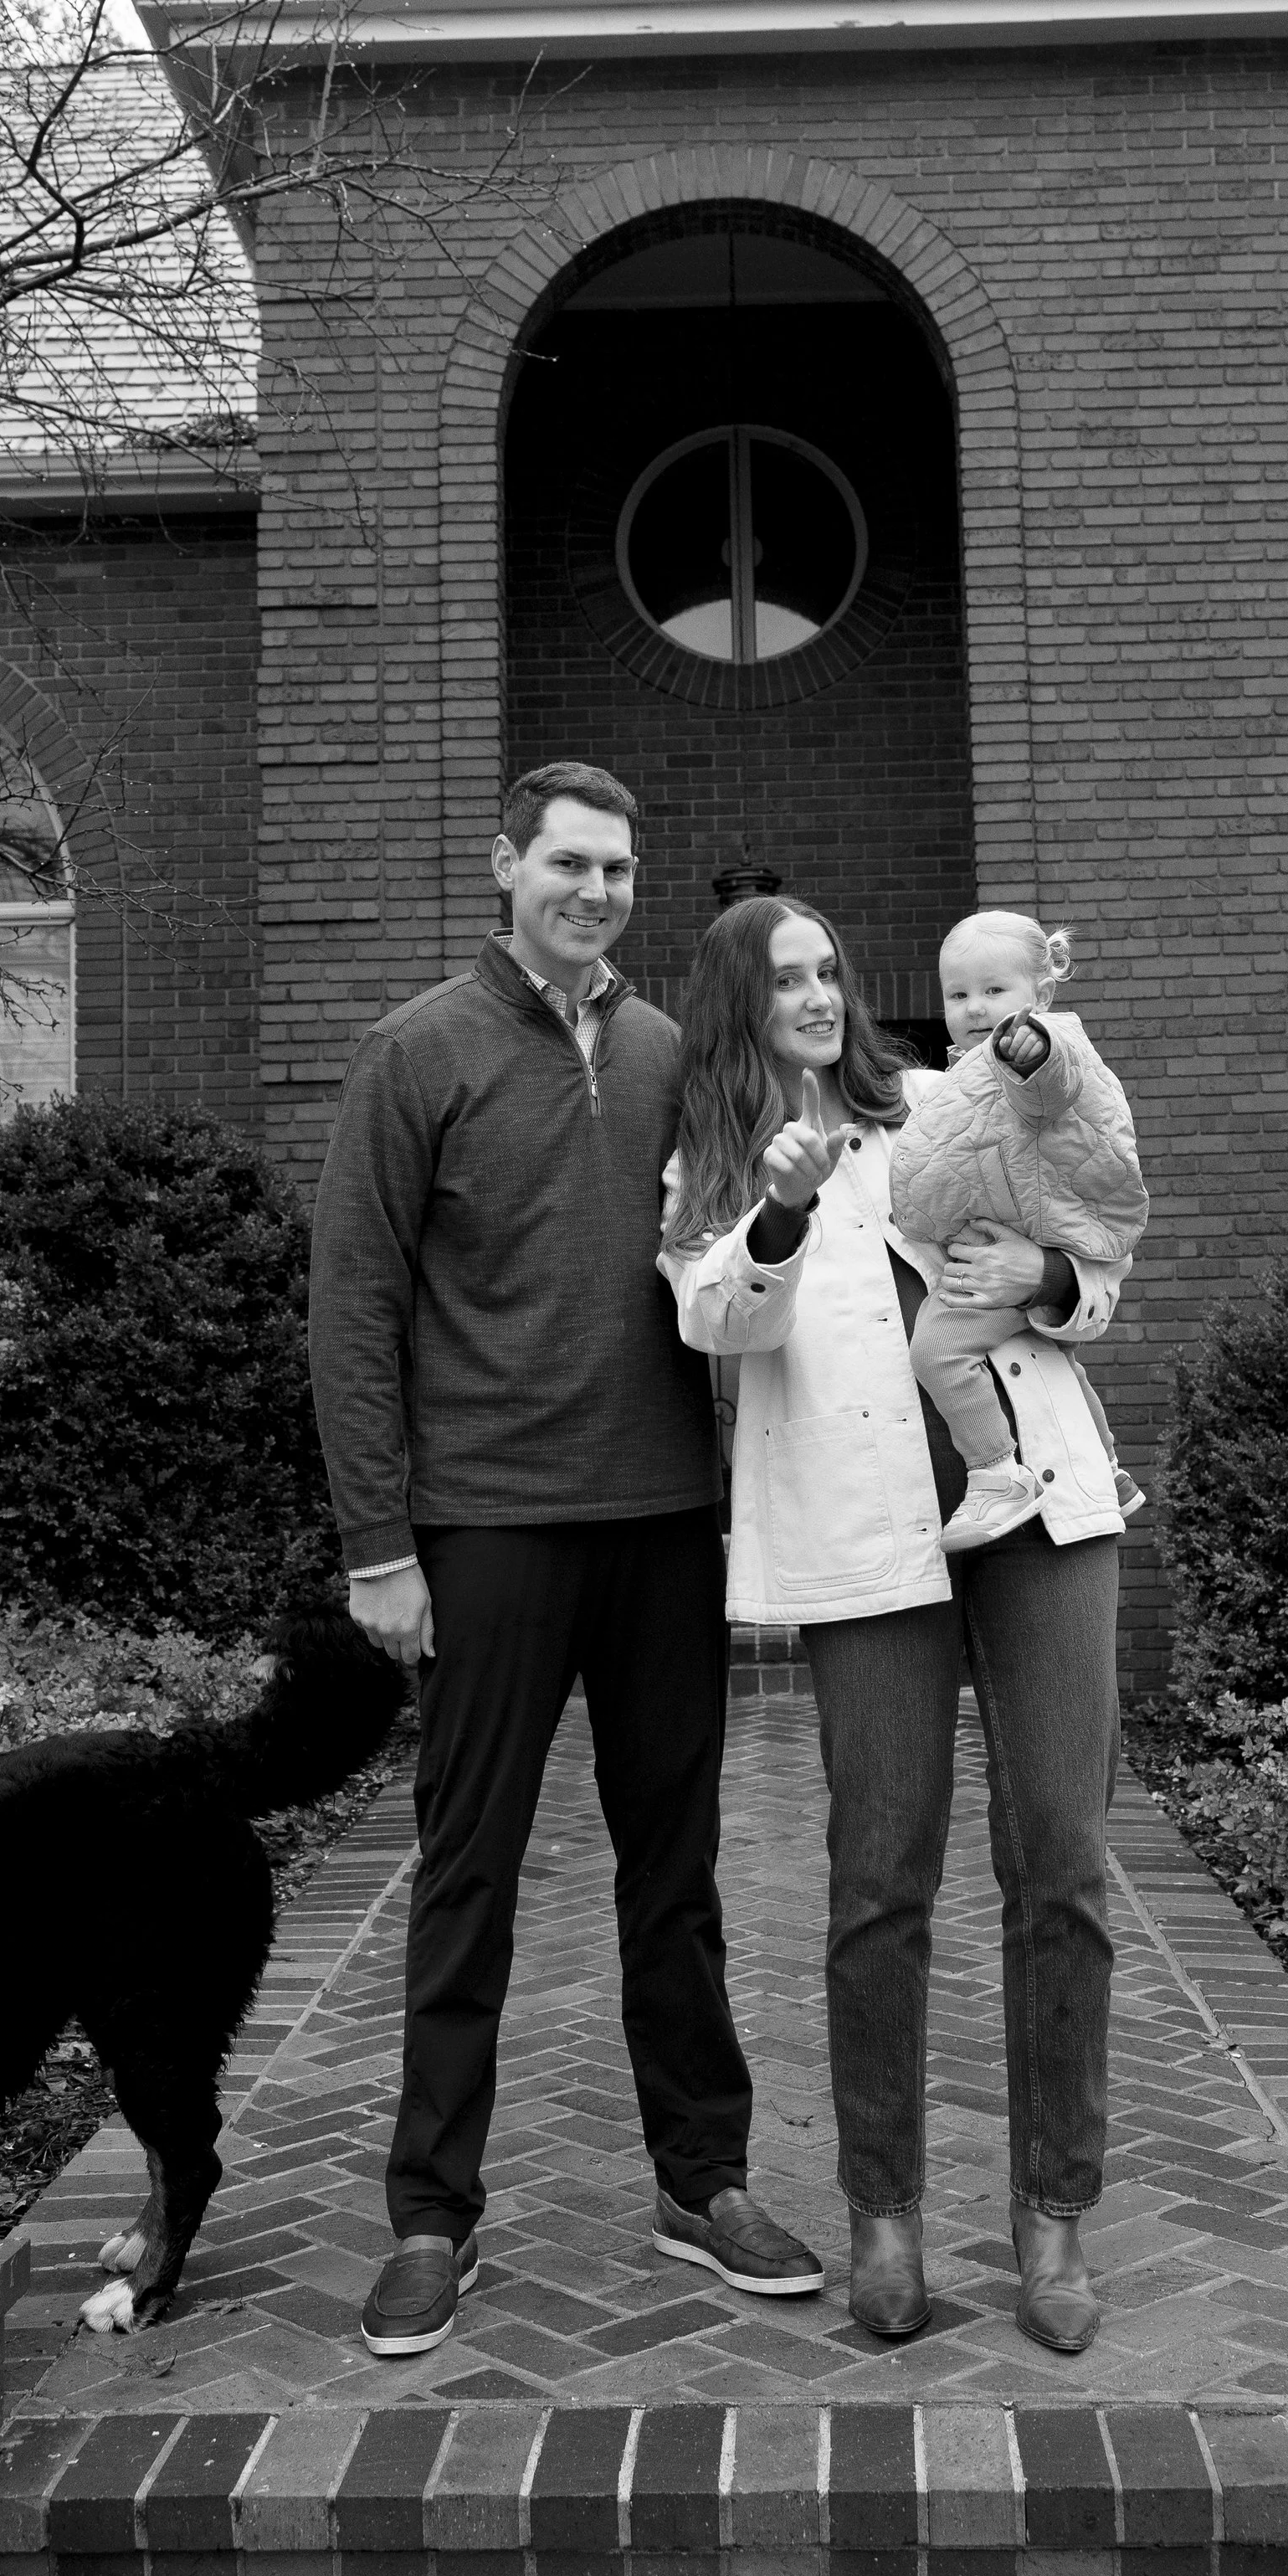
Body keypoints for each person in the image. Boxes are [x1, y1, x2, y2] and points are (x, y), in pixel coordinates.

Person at [310, 761, 821, 2360]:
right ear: (506, 868)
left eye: (618, 869)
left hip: (664, 1520)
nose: (596, 892)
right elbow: (354, 1311)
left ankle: (704, 2177)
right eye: (569, 865)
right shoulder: (419, 1052)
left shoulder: (672, 1051)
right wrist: (380, 1544)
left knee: (675, 1876)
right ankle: (430, 2214)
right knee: (467, 1876)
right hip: (488, 1533)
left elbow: (756, 1231)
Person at [659, 895, 1129, 2354]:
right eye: (784, 978)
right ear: (740, 1007)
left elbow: (1094, 1240)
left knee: (1061, 1861)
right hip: (873, 1553)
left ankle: (1051, 2219)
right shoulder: (710, 1168)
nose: (815, 994)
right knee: (880, 1884)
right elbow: (714, 1323)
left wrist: (1049, 1282)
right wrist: (785, 1204)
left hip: (1038, 1508)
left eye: (829, 971)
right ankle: (885, 2216)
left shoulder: (944, 1097)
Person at [890, 911, 1148, 1551]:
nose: (976, 1008)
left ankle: (996, 1473)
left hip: (1012, 1252)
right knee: (1061, 1355)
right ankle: (1111, 1467)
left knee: (936, 1349)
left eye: (994, 991)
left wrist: (1031, 1052)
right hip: (1028, 1238)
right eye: (958, 995)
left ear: (1042, 994)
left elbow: (1048, 1086)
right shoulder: (962, 1074)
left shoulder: (1031, 1051)